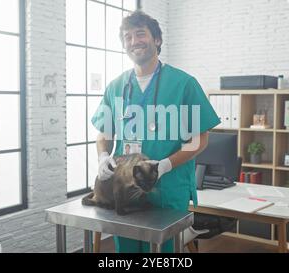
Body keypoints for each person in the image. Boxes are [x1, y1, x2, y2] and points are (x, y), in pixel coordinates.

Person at [91, 11, 220, 253]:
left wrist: (165, 165)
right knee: (127, 252)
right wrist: (102, 157)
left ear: (157, 40)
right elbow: (103, 133)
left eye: (140, 34)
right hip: (125, 187)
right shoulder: (116, 87)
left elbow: (200, 139)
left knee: (164, 251)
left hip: (168, 188)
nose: (133, 41)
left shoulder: (183, 84)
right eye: (127, 37)